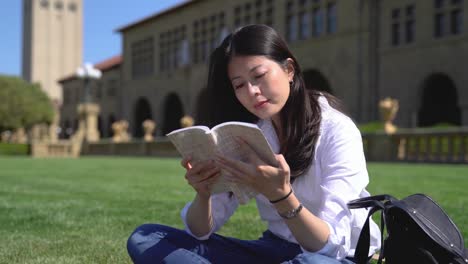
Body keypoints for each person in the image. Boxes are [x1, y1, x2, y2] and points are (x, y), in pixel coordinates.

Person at [127, 24, 381, 264]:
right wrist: (203, 194)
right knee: (147, 238)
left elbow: (328, 244)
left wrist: (281, 196)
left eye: (259, 75)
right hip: (275, 249)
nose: (252, 92)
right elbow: (200, 232)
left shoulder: (337, 130)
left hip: (333, 256)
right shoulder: (248, 136)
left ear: (289, 70)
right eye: (239, 85)